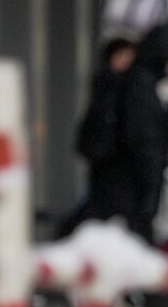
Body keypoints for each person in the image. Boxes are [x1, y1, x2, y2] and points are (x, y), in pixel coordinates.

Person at [58, 36, 136, 238]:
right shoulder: (111, 87)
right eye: (123, 56)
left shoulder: (109, 86)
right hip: (108, 161)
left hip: (108, 160)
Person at [120, 23, 168, 247]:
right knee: (139, 229)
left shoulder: (140, 82)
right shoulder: (141, 85)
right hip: (140, 173)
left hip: (140, 171)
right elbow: (143, 133)